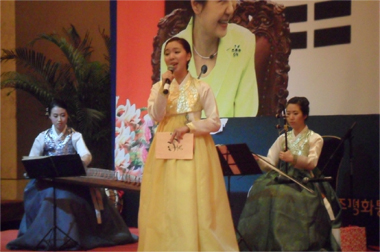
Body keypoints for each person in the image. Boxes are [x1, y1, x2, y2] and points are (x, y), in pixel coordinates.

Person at [138, 37, 238, 251]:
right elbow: (156, 115)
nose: (171, 57)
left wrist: (190, 127)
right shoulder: (159, 87)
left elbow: (214, 121)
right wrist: (165, 87)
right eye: (167, 53)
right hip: (166, 145)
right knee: (165, 198)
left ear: (188, 56)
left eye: (176, 52)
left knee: (193, 197)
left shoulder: (202, 87)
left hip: (195, 146)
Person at [7, 99, 138, 251]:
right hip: (47, 182)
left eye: (63, 115)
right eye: (55, 116)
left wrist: (79, 162)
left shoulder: (75, 136)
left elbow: (86, 155)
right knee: (45, 195)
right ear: (49, 116)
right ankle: (44, 236)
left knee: (71, 198)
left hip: (72, 182)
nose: (59, 120)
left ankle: (74, 236)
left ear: (67, 116)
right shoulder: (42, 137)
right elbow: (32, 158)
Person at [237, 97, 342, 251]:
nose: (291, 117)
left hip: (306, 180)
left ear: (304, 115)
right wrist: (258, 159)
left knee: (285, 196)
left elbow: (312, 163)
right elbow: (271, 163)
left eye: (295, 113)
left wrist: (293, 158)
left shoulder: (314, 138)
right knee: (263, 190)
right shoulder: (282, 138)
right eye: (288, 113)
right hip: (283, 177)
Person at [160, 0, 258, 118]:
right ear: (196, 5)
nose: (230, 9)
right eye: (222, 1)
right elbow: (170, 117)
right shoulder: (172, 51)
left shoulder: (243, 41)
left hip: (233, 136)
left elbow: (246, 119)